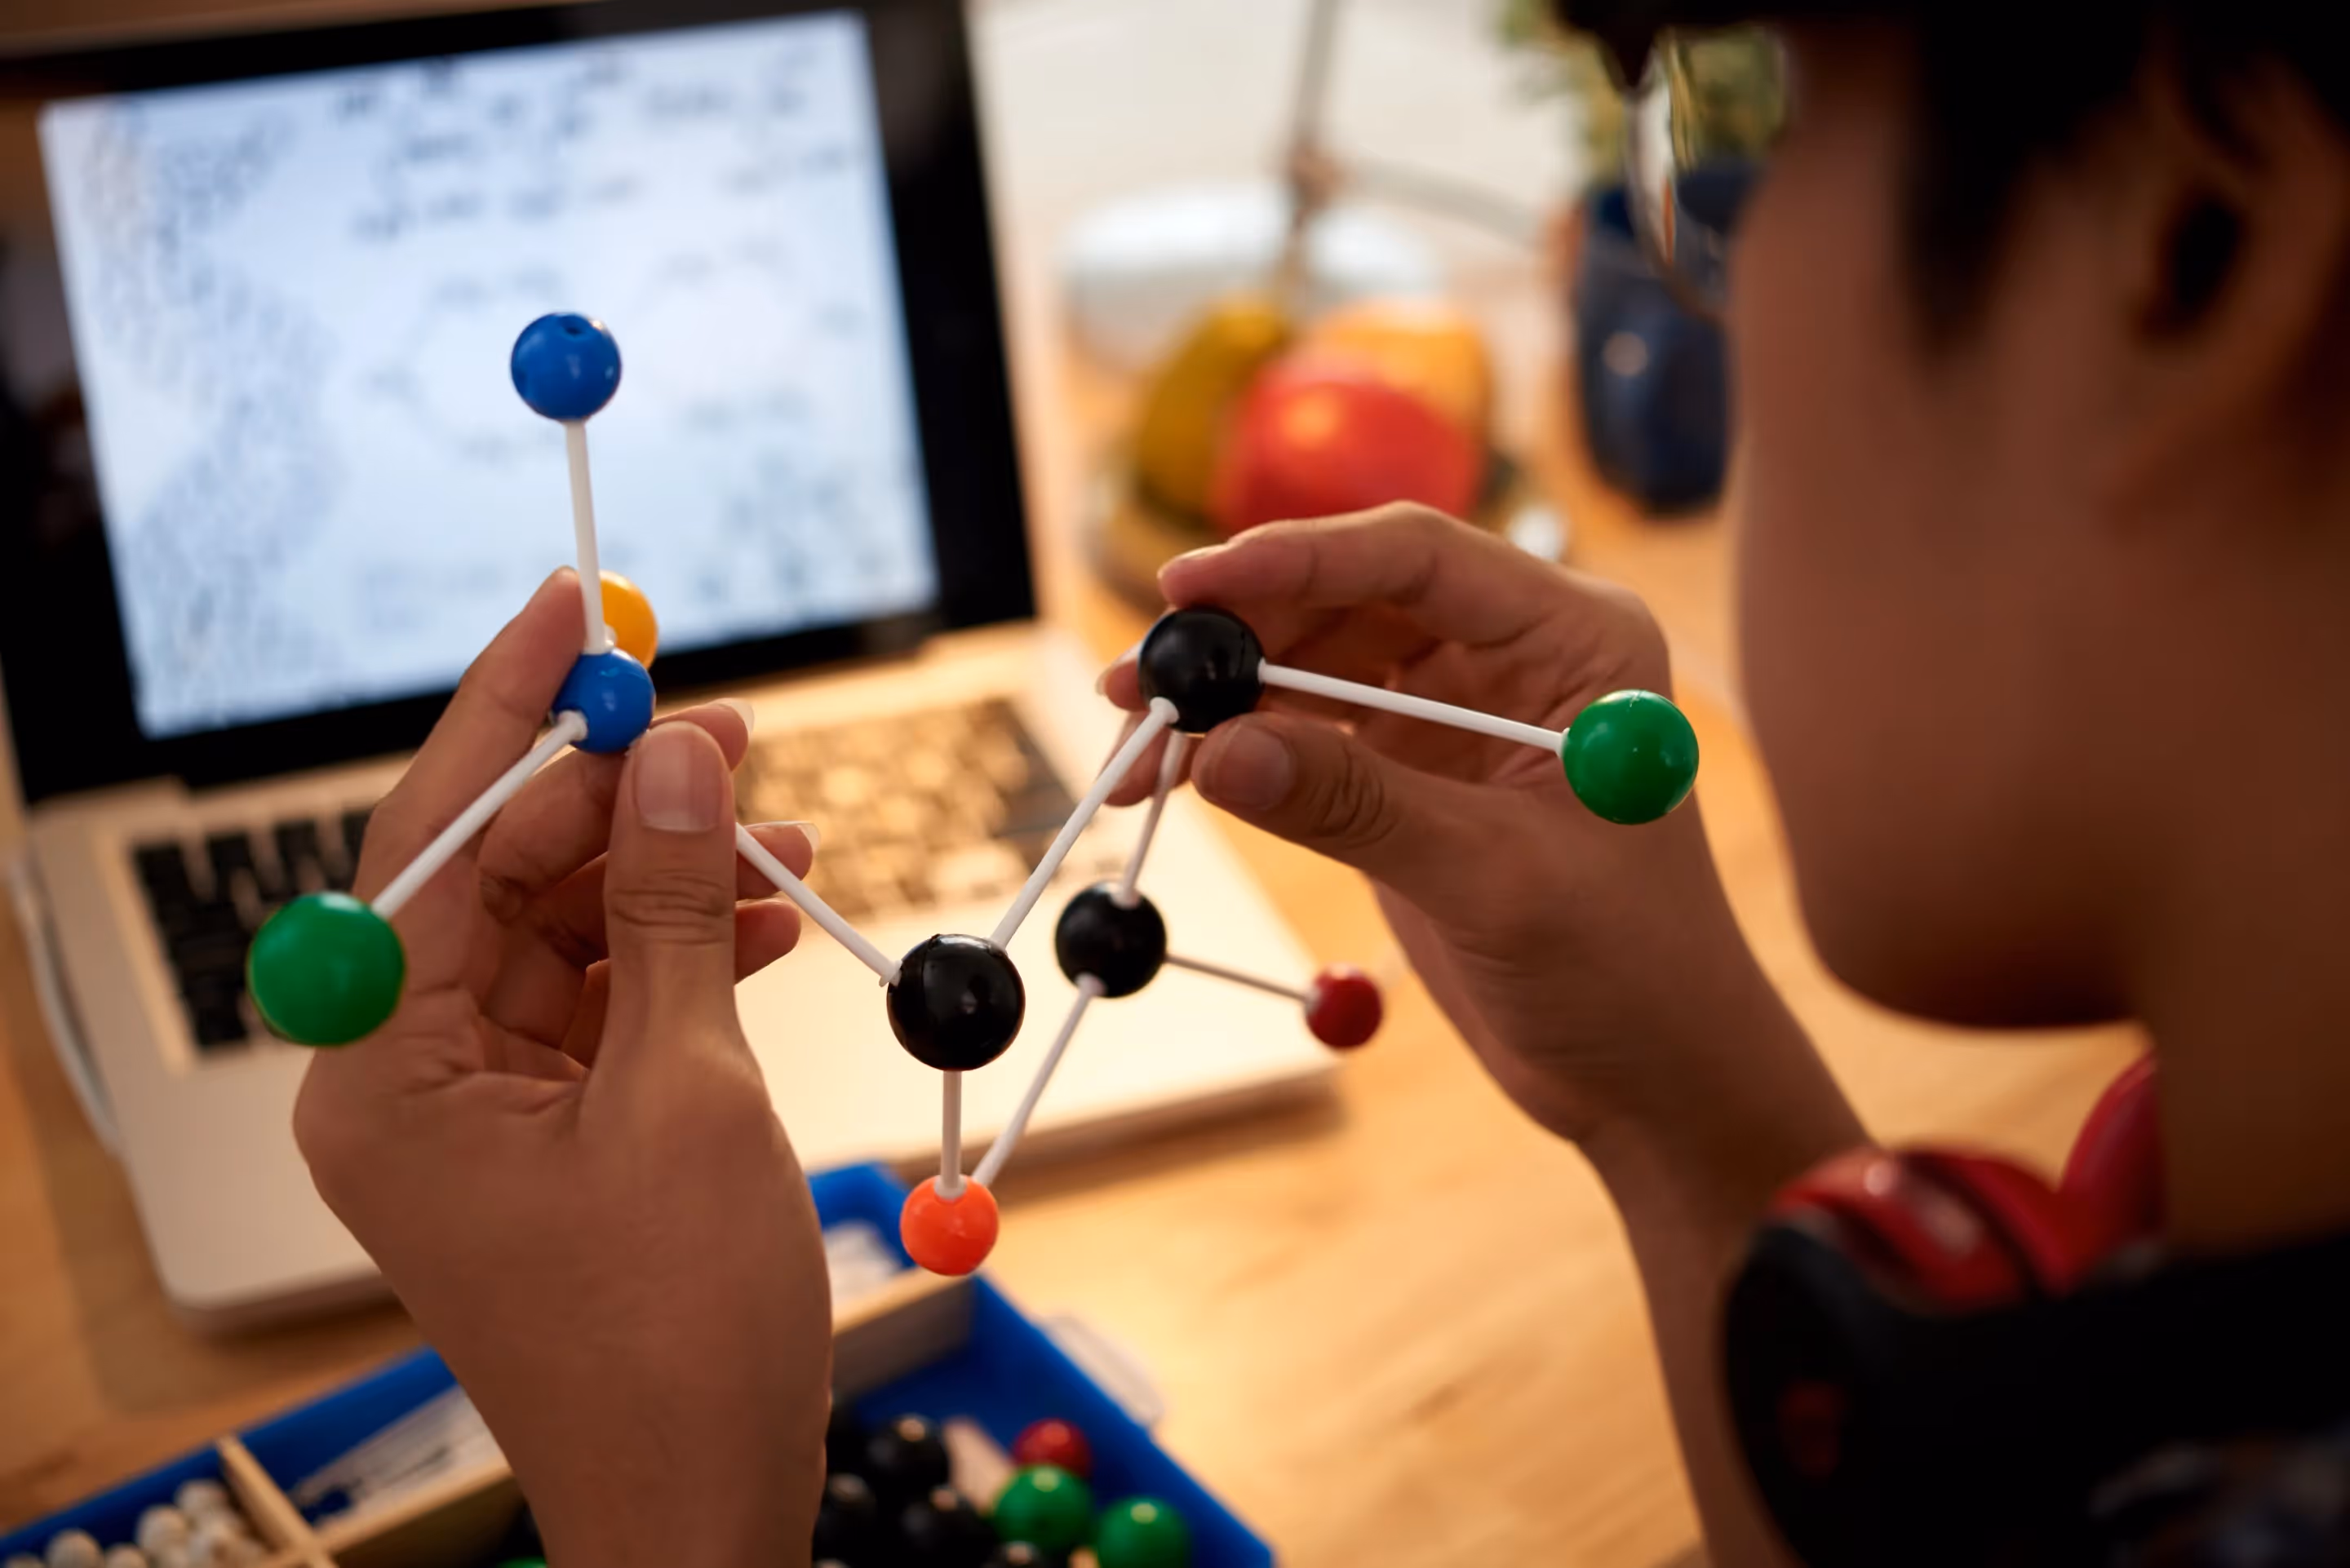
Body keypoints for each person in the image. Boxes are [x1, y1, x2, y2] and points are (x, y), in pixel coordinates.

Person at [291, 3, 2350, 1564]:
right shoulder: (2191, 1227)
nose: (1721, 259)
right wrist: (1688, 1106)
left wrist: (674, 1522)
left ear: (2193, 235)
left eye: (1760, 141)